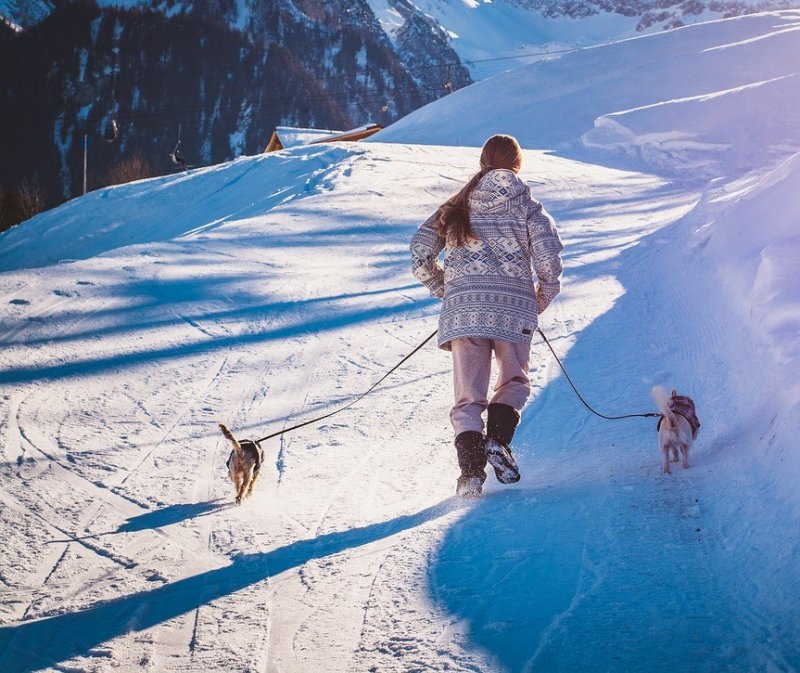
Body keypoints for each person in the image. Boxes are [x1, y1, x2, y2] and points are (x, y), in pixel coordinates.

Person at [410, 134, 564, 497]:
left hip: (464, 313)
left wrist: (446, 289)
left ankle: (471, 475)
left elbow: (419, 252)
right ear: (517, 163)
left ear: (483, 162)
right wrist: (536, 301)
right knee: (513, 382)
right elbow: (548, 264)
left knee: (468, 397)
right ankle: (497, 441)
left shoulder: (456, 204)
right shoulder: (528, 205)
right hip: (514, 311)